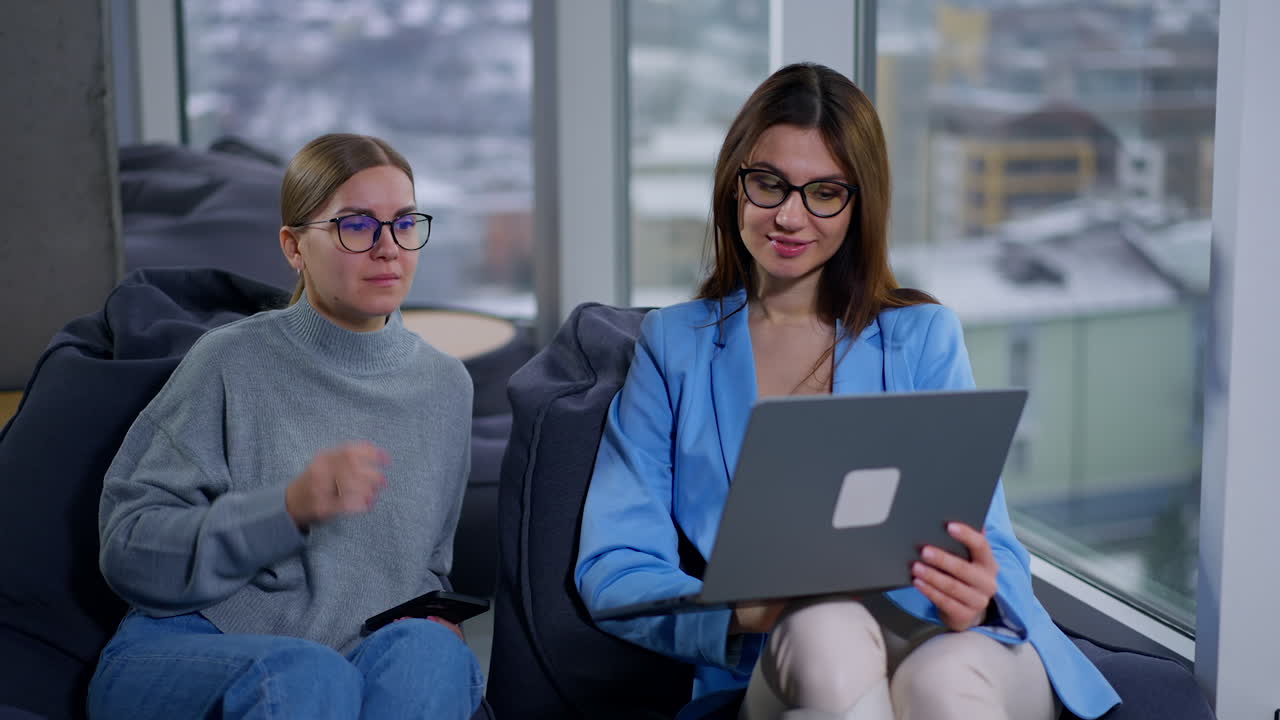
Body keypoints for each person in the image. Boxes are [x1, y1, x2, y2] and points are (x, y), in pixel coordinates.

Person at [574, 63, 1121, 720]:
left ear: (859, 204)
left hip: (946, 637)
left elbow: (990, 534)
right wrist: (741, 613)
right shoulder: (674, 348)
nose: (790, 215)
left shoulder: (922, 336)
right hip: (789, 653)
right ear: (734, 185)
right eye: (769, 183)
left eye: (825, 192)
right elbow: (614, 567)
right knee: (824, 625)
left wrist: (982, 592)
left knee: (942, 685)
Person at [88, 133, 482, 720]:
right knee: (304, 674)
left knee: (436, 656)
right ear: (294, 247)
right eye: (355, 226)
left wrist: (433, 616)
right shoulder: (228, 362)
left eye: (403, 223)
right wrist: (287, 510)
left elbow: (425, 563)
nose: (388, 248)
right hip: (197, 642)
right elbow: (128, 553)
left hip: (357, 650)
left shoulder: (447, 387)